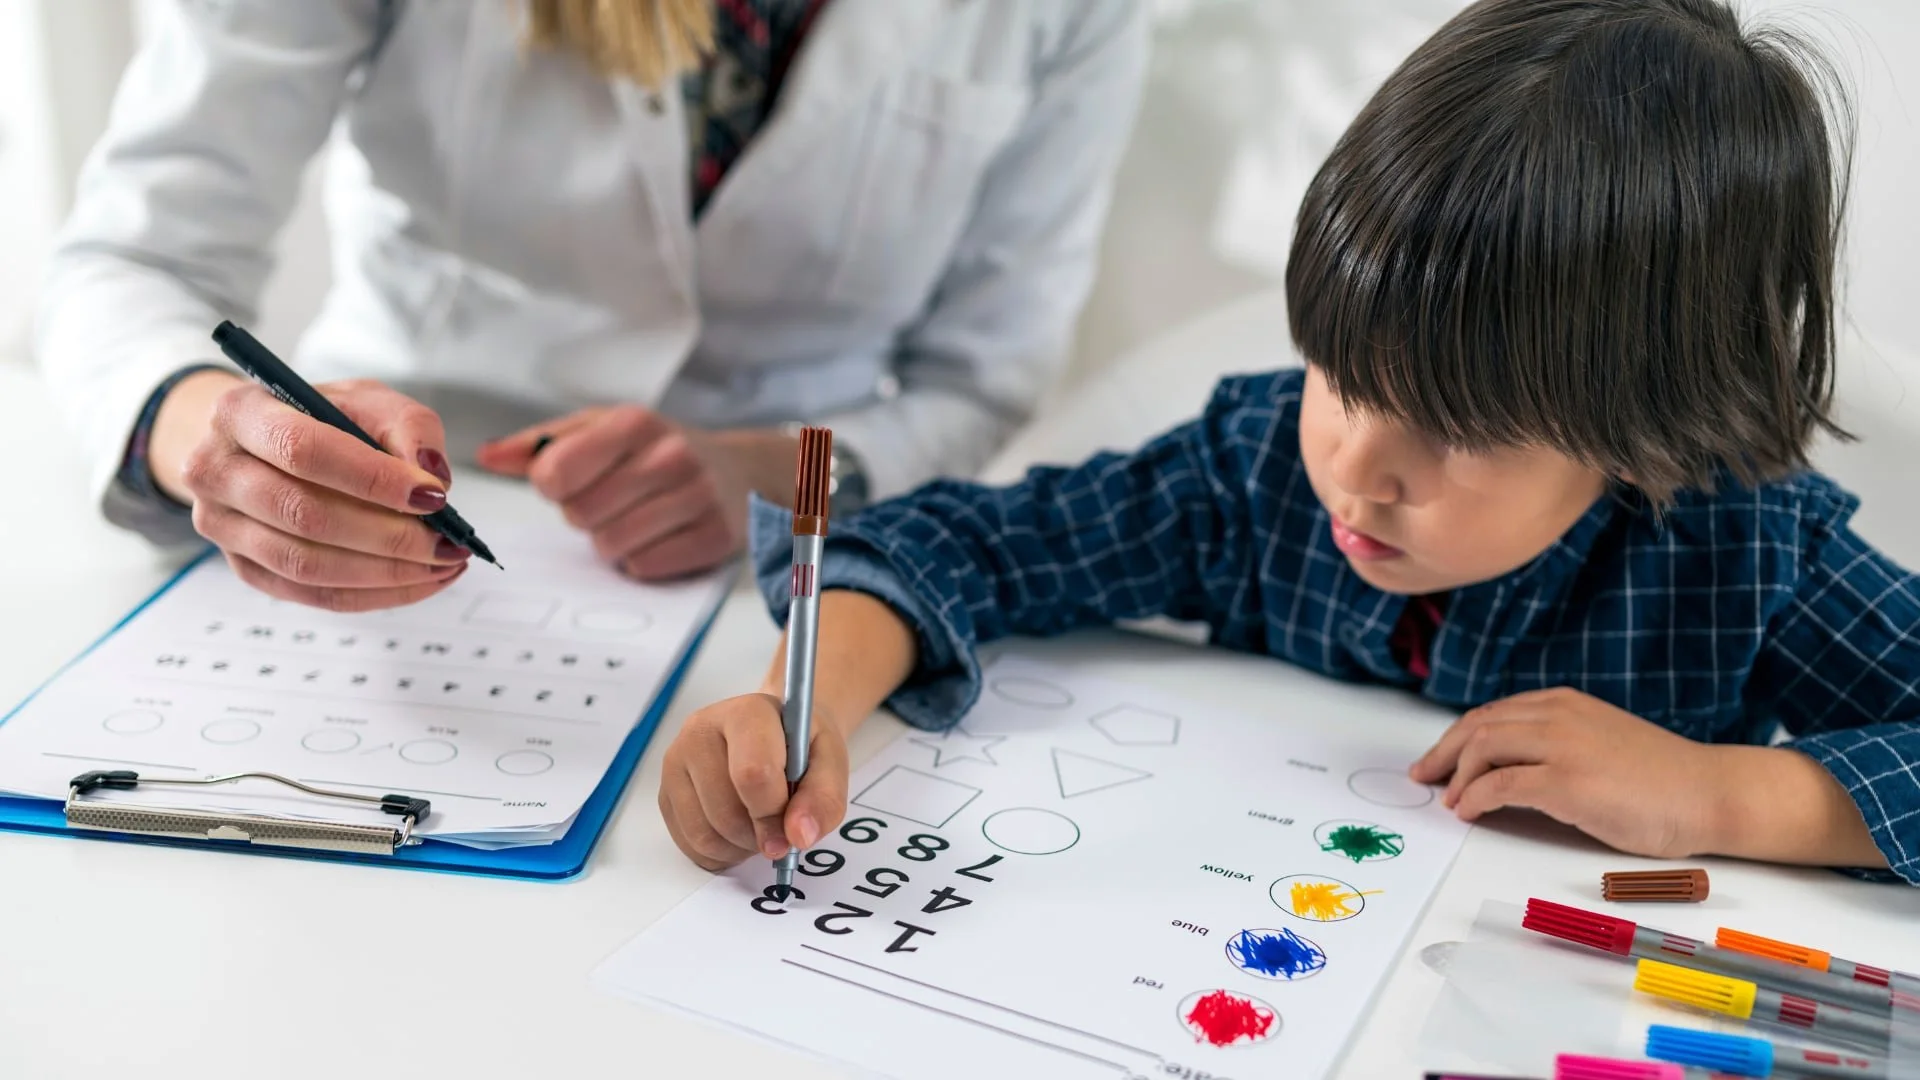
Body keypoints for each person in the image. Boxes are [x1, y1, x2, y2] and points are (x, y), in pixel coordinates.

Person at [656, 0, 1920, 886]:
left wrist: (1724, 795)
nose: (1358, 468)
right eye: (1341, 374)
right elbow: (961, 545)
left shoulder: (1749, 561)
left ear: (1647, 430)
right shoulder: (1254, 470)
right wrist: (800, 703)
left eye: (1461, 432)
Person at [34, 0, 1147, 610]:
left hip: (782, 571)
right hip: (387, 522)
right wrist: (213, 438)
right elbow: (132, 262)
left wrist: (764, 474)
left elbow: (980, 382)